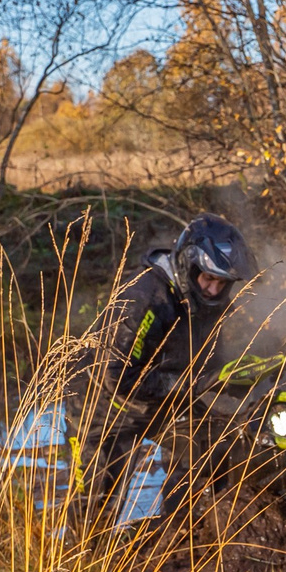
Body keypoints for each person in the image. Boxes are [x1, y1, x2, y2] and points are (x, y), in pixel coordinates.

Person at [63, 213, 251, 527]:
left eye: (222, 283)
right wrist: (192, 383)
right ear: (189, 265)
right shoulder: (145, 296)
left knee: (207, 445)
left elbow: (210, 362)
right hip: (104, 405)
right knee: (94, 501)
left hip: (164, 398)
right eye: (208, 278)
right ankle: (82, 566)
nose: (214, 290)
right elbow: (117, 374)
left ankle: (180, 534)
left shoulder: (205, 301)